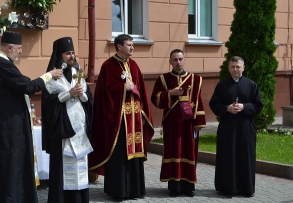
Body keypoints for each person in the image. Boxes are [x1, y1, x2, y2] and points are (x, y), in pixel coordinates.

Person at [0, 31, 62, 203]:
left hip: (8, 123)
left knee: (14, 163)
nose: (21, 51)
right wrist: (49, 75)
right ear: (10, 48)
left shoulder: (1, 63)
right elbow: (28, 86)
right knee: (8, 165)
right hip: (6, 126)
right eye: (19, 48)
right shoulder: (1, 65)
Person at [89, 34, 154, 201]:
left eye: (133, 44)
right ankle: (118, 191)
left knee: (135, 154)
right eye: (129, 44)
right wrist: (122, 87)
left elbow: (141, 90)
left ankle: (135, 190)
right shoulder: (108, 66)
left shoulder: (133, 65)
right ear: (118, 46)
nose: (132, 47)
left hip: (135, 118)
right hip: (118, 121)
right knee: (120, 155)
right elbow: (104, 93)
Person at [42, 37, 93, 203]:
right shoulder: (53, 76)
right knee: (62, 170)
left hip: (80, 130)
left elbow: (88, 98)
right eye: (67, 53)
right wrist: (68, 94)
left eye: (73, 53)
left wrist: (82, 94)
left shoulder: (78, 73)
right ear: (59, 55)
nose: (71, 56)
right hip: (62, 131)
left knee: (81, 167)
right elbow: (49, 103)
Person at [150, 49, 206, 197]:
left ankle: (188, 187)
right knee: (173, 151)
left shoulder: (195, 79)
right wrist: (170, 93)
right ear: (170, 61)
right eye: (175, 59)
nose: (178, 62)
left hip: (188, 125)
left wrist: (199, 122)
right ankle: (174, 187)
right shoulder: (163, 79)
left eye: (180, 59)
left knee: (189, 152)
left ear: (185, 60)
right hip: (172, 123)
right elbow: (154, 98)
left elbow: (199, 102)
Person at [209, 56, 263, 198]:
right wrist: (227, 109)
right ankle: (227, 188)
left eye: (238, 66)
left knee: (246, 156)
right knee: (228, 156)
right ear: (229, 68)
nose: (235, 69)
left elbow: (258, 105)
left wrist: (244, 106)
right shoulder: (222, 85)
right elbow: (213, 104)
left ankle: (246, 188)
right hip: (228, 128)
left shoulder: (252, 85)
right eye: (232, 67)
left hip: (246, 128)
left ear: (243, 68)